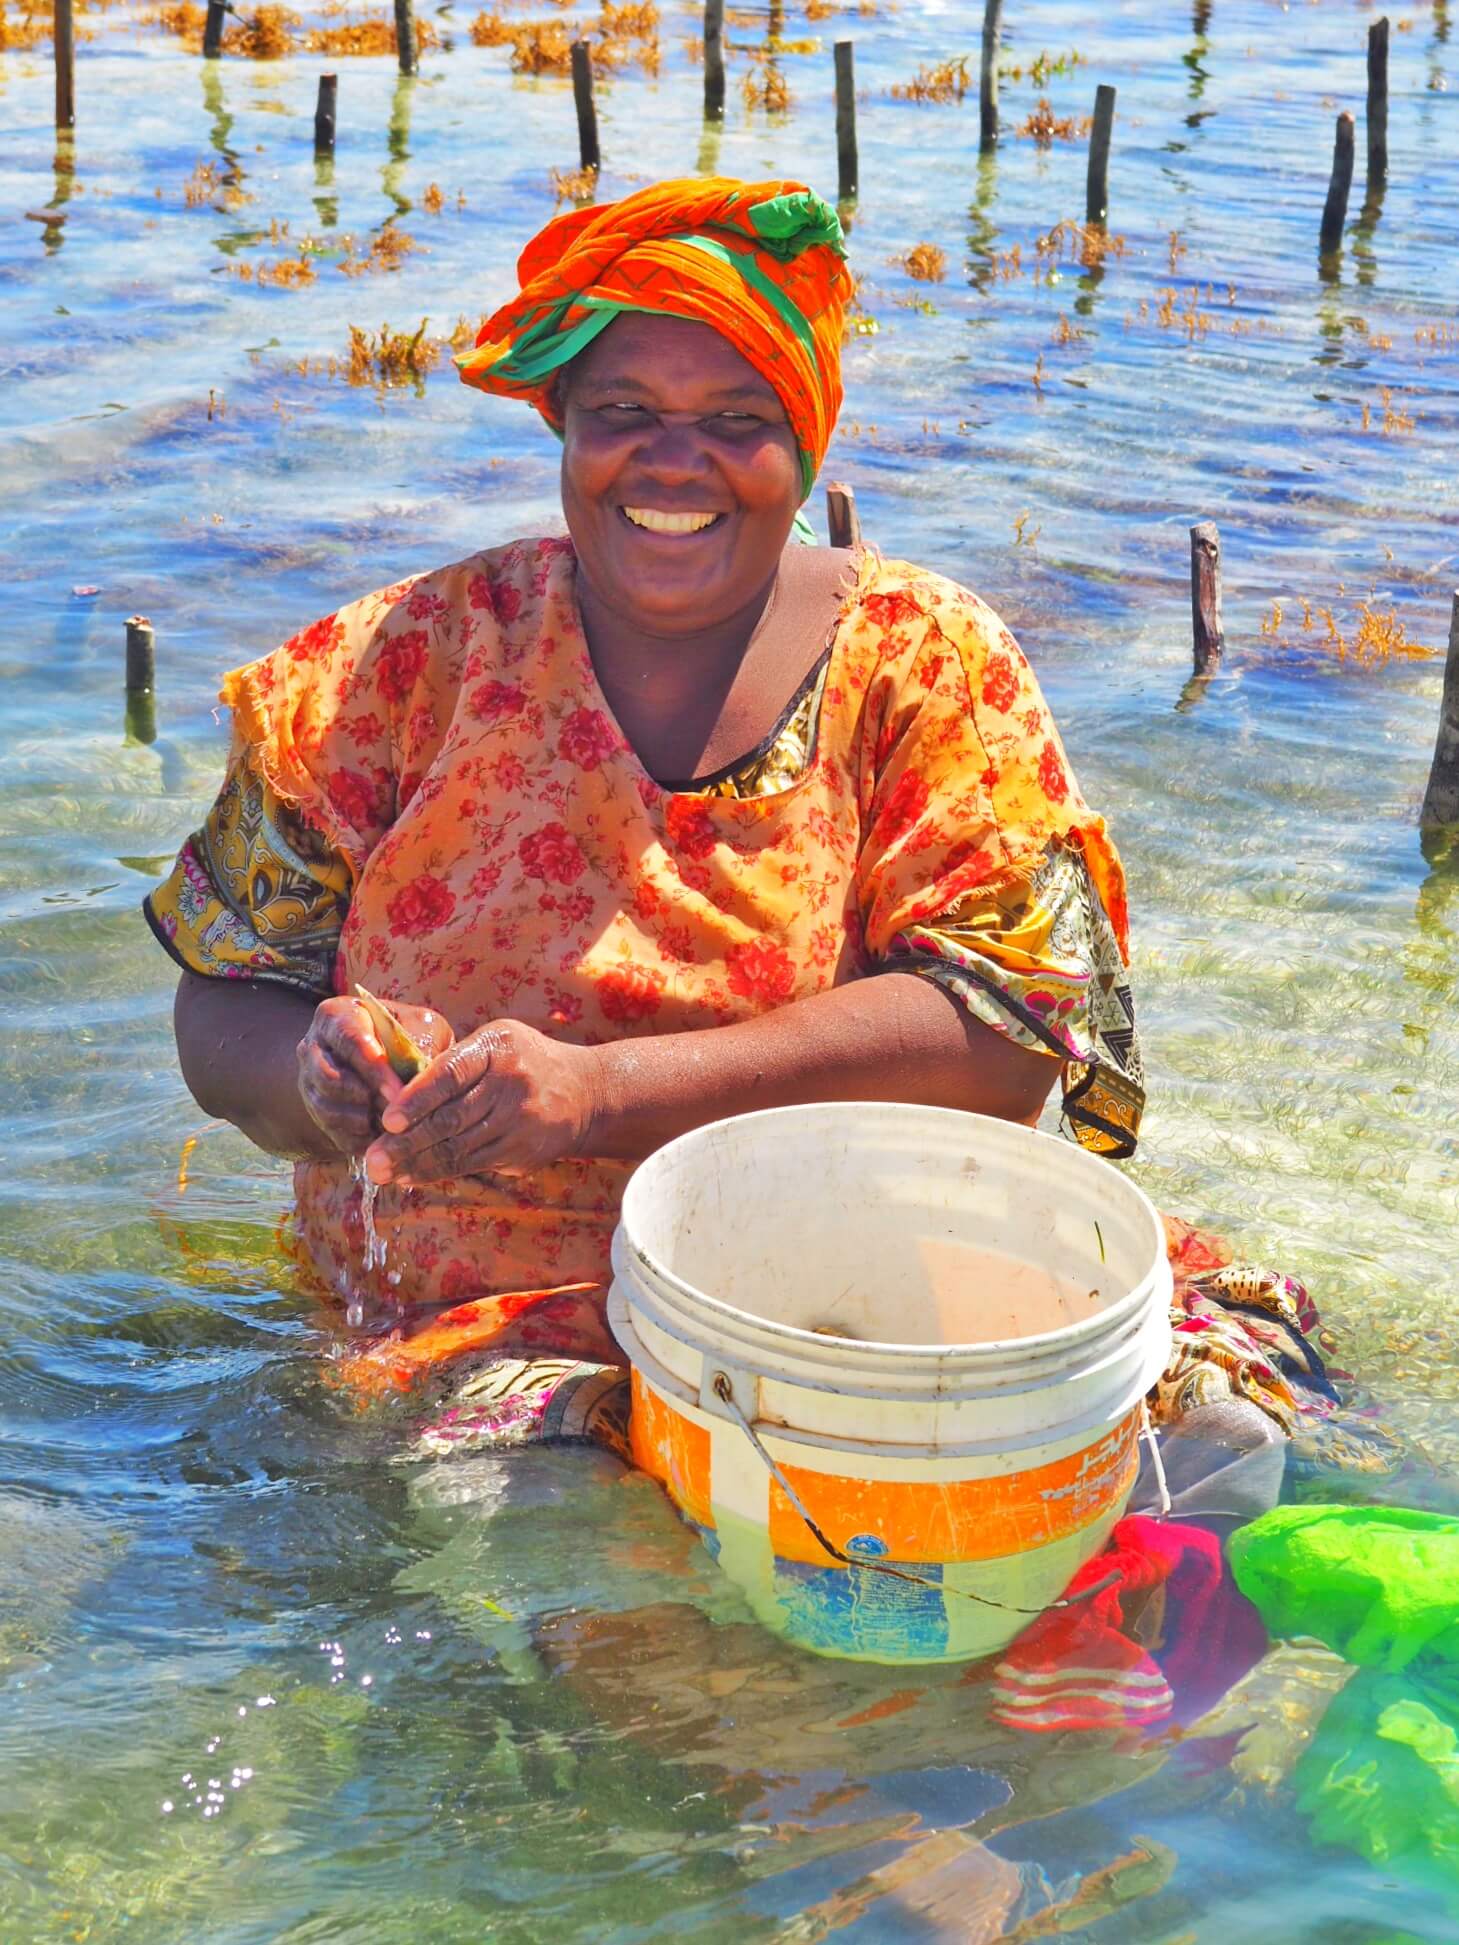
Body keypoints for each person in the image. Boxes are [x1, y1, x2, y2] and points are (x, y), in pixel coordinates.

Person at [144, 177, 1146, 1455]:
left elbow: (1014, 1025)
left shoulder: (924, 662)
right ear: (563, 423)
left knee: (1219, 1443)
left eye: (736, 418)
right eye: (623, 413)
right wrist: (316, 1078)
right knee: (548, 1572)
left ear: (806, 441)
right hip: (458, 1333)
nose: (673, 461)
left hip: (812, 1319)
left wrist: (599, 1093)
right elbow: (224, 994)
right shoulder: (404, 661)